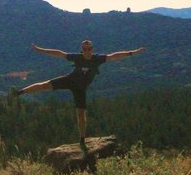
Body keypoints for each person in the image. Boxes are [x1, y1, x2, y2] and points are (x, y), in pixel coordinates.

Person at [14, 40, 146, 150]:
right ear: (82, 50)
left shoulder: (97, 59)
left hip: (80, 89)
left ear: (92, 49)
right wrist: (41, 50)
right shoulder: (77, 57)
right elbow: (59, 54)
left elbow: (114, 56)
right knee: (45, 85)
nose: (87, 51)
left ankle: (82, 139)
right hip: (69, 80)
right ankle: (20, 92)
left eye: (89, 49)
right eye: (85, 49)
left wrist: (132, 53)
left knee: (81, 114)